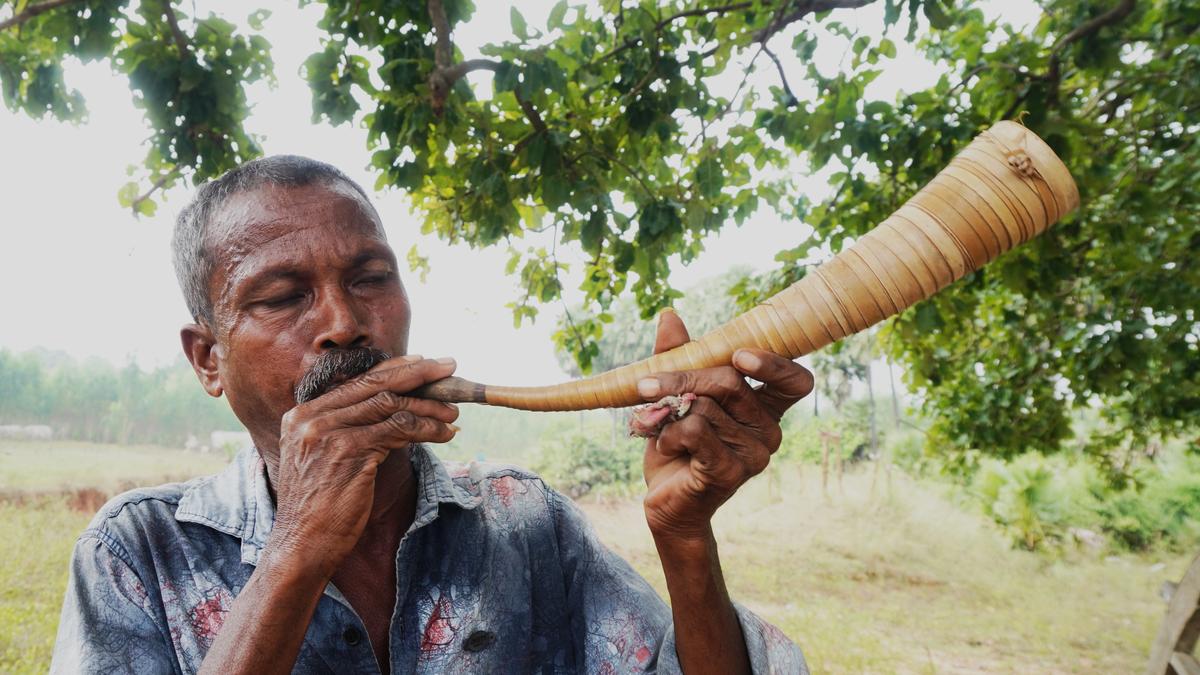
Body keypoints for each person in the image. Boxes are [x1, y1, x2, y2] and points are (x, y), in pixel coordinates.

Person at [50, 156, 815, 674]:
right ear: (207, 359)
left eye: (370, 278)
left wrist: (685, 538)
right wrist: (297, 549)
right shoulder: (137, 550)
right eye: (283, 296)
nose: (344, 323)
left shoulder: (525, 521)